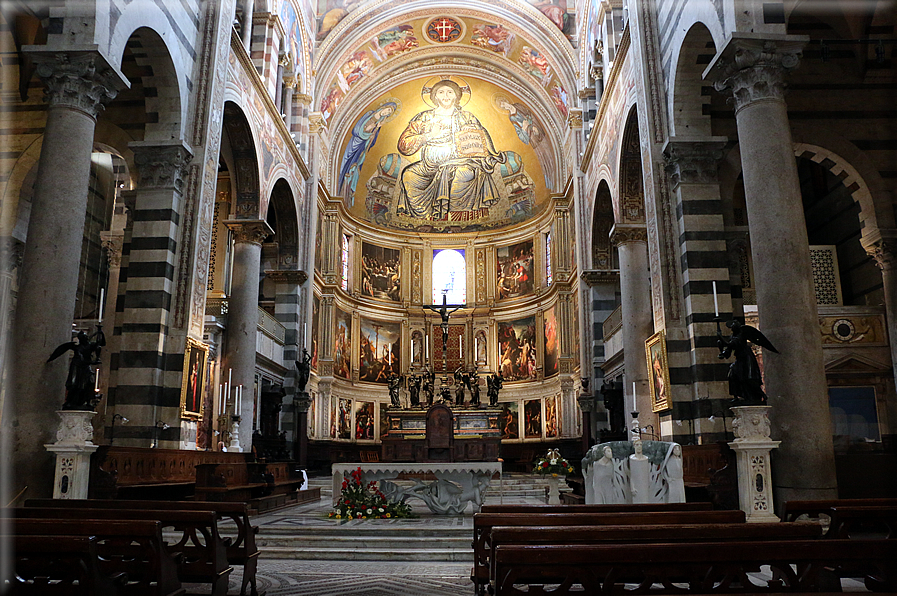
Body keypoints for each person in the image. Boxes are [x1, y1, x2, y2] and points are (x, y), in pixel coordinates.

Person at [396, 79, 505, 220]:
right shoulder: (424, 117)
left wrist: (471, 131)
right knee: (409, 175)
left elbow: (481, 141)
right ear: (434, 96)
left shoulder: (467, 117)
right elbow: (404, 145)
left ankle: (456, 218)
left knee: (464, 174)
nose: (445, 96)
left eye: (449, 92)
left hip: (461, 162)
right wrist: (428, 136)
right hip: (428, 167)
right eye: (441, 92)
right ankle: (426, 218)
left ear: (456, 96)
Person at [338, 103, 397, 206]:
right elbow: (356, 130)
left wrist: (375, 129)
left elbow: (372, 142)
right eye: (388, 110)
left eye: (389, 113)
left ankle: (348, 193)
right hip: (355, 143)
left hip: (362, 149)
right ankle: (339, 185)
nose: (386, 113)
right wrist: (369, 130)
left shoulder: (380, 123)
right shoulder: (369, 114)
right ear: (383, 107)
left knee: (355, 169)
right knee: (347, 164)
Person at [717, 319, 778, 405]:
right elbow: (728, 350)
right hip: (739, 359)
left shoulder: (741, 334)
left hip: (746, 358)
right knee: (732, 375)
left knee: (749, 378)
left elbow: (732, 344)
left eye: (734, 325)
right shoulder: (732, 337)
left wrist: (720, 337)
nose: (732, 327)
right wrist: (723, 353)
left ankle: (762, 395)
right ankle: (736, 396)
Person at [47, 325, 106, 410]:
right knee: (75, 384)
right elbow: (81, 359)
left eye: (86, 337)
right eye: (85, 337)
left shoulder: (90, 346)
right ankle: (71, 401)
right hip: (77, 367)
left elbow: (102, 343)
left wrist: (101, 333)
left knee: (89, 383)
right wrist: (93, 362)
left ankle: (86, 401)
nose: (86, 338)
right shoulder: (78, 348)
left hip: (86, 367)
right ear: (81, 339)